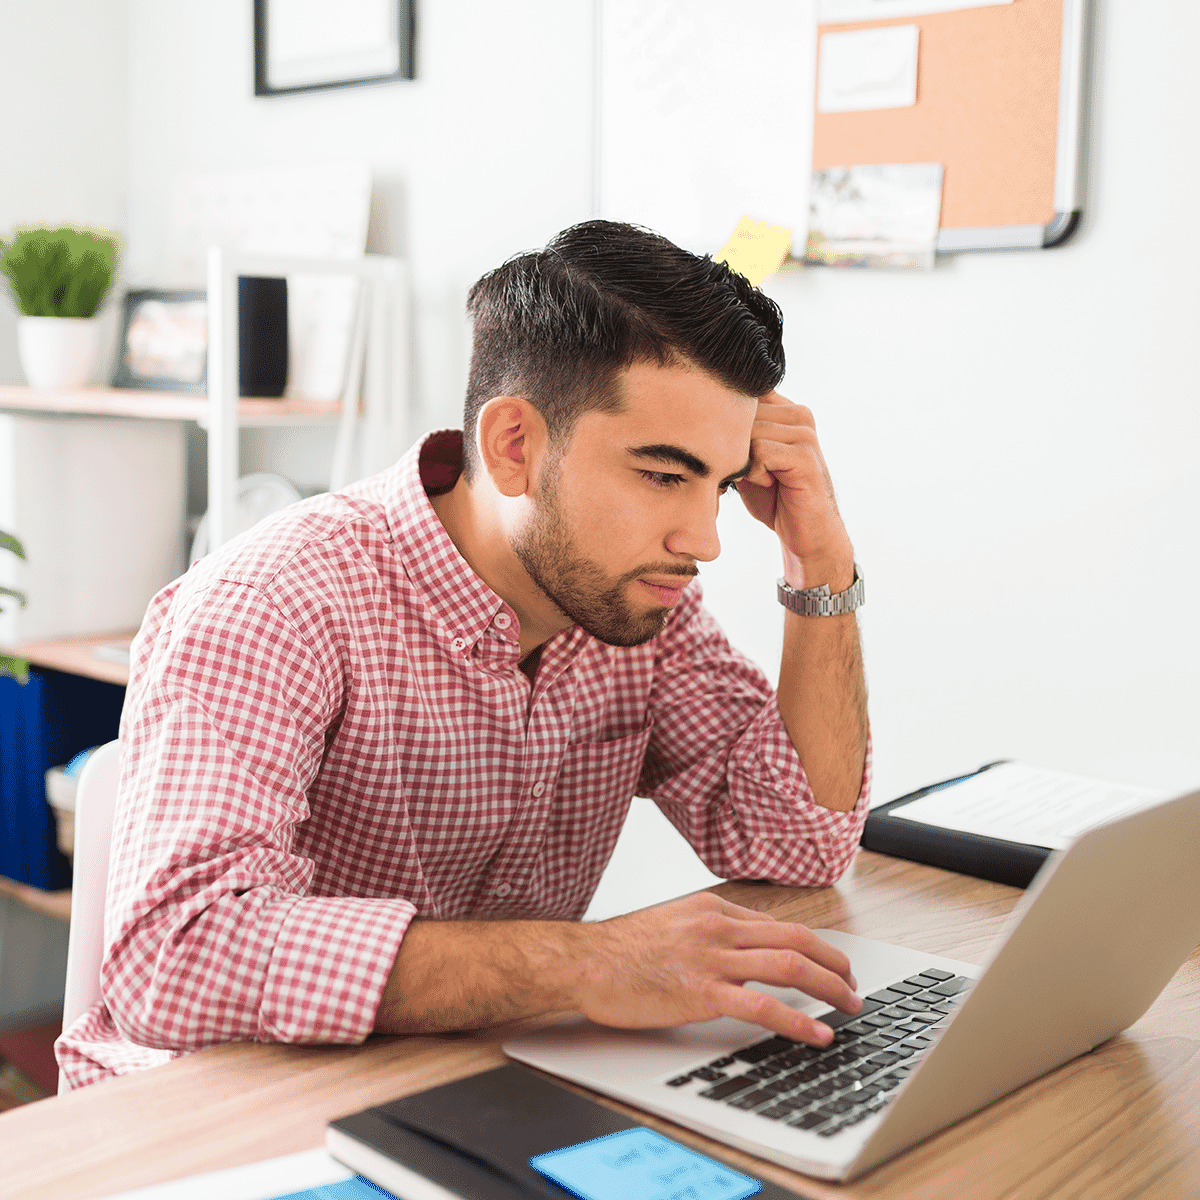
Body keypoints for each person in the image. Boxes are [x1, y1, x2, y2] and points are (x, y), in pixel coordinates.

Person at [57, 220, 870, 1090]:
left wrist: (818, 559)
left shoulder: (639, 602)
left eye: (720, 482)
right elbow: (176, 957)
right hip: (215, 1115)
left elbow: (798, 840)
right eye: (665, 477)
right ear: (514, 445)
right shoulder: (276, 601)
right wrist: (589, 963)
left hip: (465, 1082)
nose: (704, 539)